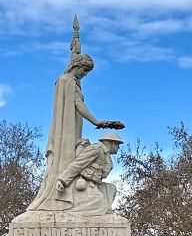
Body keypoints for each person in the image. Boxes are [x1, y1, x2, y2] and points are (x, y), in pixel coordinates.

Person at [28, 45, 124, 212]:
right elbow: (79, 104)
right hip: (66, 131)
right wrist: (98, 122)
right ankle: (60, 194)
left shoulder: (64, 80)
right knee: (66, 160)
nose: (84, 75)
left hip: (66, 127)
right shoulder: (68, 81)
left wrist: (75, 51)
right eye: (84, 71)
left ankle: (62, 190)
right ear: (77, 66)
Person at [55, 131, 123, 214]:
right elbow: (78, 164)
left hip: (96, 184)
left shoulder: (106, 155)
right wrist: (62, 181)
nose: (118, 148)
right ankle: (70, 215)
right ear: (112, 143)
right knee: (100, 206)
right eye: (118, 144)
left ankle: (107, 212)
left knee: (111, 189)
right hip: (86, 183)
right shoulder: (96, 149)